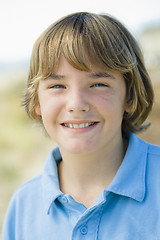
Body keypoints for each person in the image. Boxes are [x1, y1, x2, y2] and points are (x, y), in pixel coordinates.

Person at [2, 12, 160, 240]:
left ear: (129, 96)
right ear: (37, 101)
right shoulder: (23, 205)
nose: (77, 104)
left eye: (98, 84)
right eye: (57, 86)